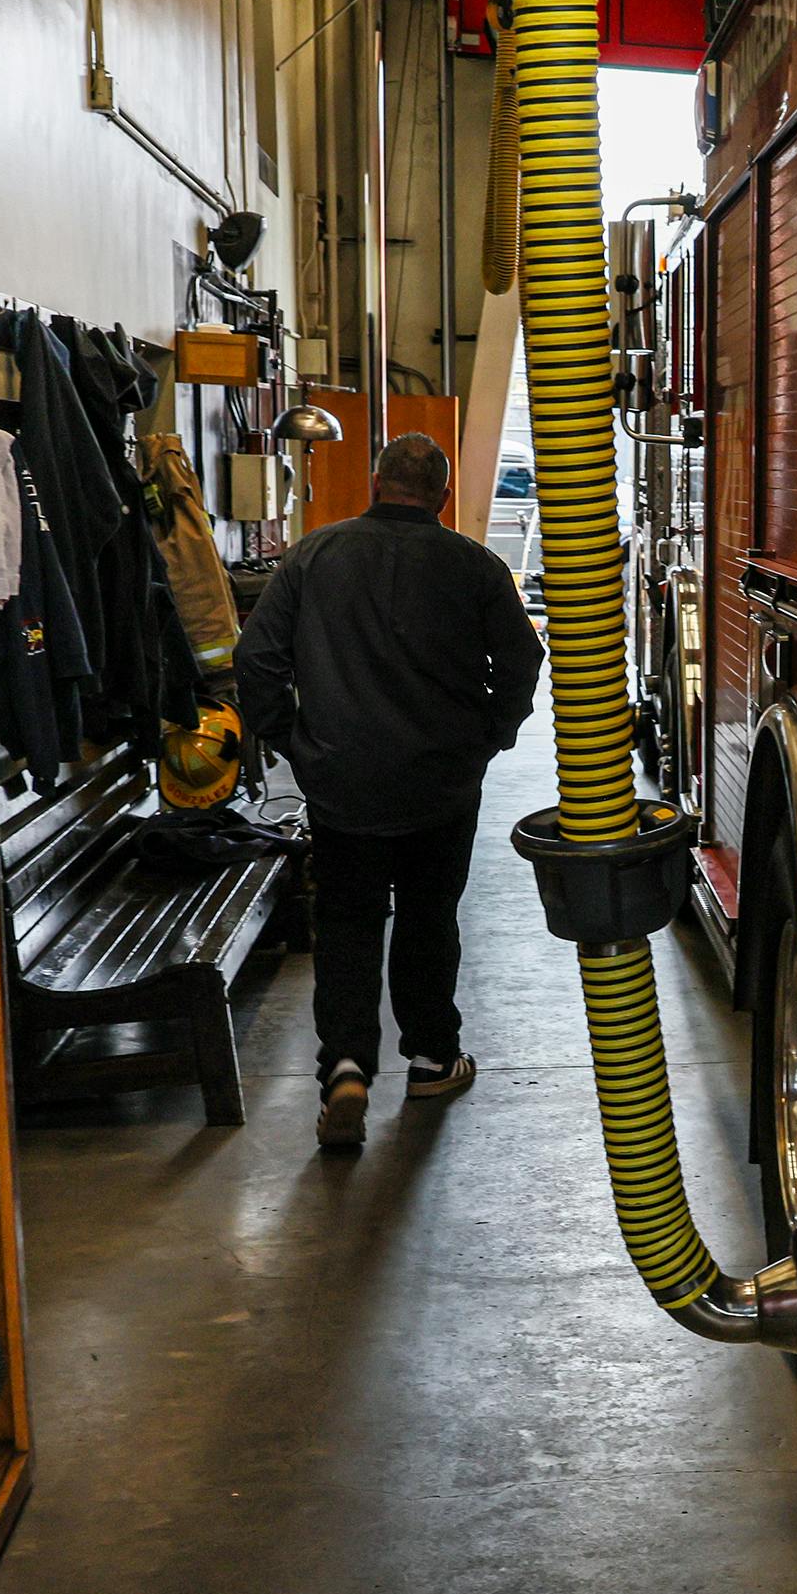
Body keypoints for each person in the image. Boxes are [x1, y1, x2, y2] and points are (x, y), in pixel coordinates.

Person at [237, 435, 544, 1151]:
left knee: (348, 924)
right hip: (441, 780)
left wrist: (295, 744)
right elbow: (524, 658)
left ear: (375, 483)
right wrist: (490, 736)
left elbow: (257, 658)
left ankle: (346, 1067)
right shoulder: (475, 565)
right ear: (441, 496)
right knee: (429, 917)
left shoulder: (313, 556)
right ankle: (433, 1058)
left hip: (342, 781)